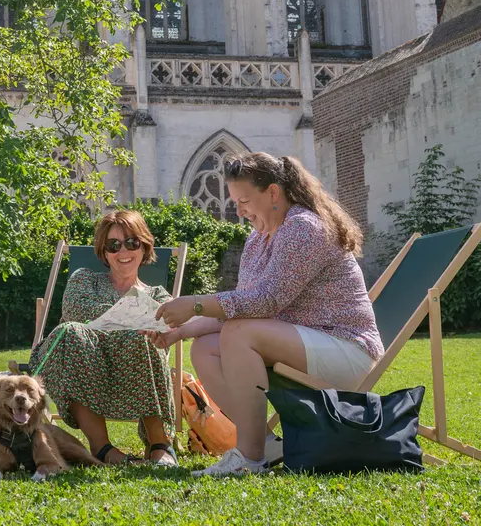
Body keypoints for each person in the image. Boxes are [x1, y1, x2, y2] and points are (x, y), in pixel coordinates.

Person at [156, 152, 383, 478]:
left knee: (237, 334)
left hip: (347, 349)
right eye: (235, 202)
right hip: (302, 346)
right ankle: (264, 443)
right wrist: (180, 331)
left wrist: (194, 303)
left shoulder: (304, 228)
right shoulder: (258, 239)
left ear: (273, 192)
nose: (239, 210)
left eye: (245, 200)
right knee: (205, 347)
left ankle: (249, 457)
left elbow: (264, 302)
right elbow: (241, 307)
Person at [27, 209, 178, 466]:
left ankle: (160, 446)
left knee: (144, 338)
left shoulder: (158, 295)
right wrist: (134, 319)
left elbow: (168, 326)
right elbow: (76, 312)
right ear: (104, 251)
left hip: (132, 369)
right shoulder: (84, 280)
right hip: (81, 362)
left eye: (132, 242)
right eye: (113, 245)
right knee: (74, 332)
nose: (123, 252)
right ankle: (101, 448)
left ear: (144, 247)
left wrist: (123, 327)